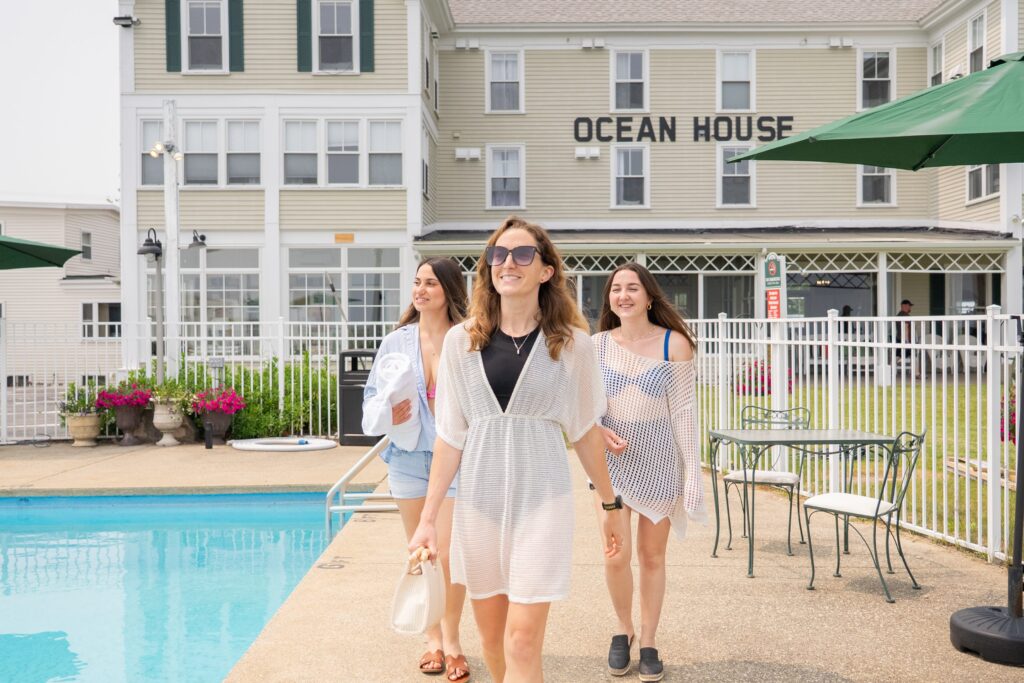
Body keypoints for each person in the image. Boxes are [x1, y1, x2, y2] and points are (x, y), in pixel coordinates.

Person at [409, 216, 627, 682]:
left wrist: (609, 503)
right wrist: (428, 520)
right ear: (489, 268)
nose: (509, 262)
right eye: (499, 254)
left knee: (522, 640)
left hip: (543, 502)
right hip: (479, 506)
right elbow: (449, 436)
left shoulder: (573, 347)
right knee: (492, 642)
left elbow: (586, 430)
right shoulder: (459, 342)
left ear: (546, 270)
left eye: (523, 253)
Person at [591, 263, 705, 681]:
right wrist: (599, 431)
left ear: (649, 297)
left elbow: (684, 415)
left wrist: (693, 473)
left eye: (632, 288)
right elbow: (583, 408)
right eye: (616, 289)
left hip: (660, 463)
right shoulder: (597, 345)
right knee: (616, 554)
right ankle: (623, 630)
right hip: (611, 466)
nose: (623, 295)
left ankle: (651, 641)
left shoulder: (674, 345)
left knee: (652, 557)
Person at [362, 257, 471, 682]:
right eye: (417, 283)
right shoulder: (395, 342)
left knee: (448, 554)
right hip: (406, 457)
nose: (420, 290)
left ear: (448, 289)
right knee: (420, 552)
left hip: (455, 458)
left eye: (430, 283)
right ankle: (433, 642)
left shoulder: (467, 338)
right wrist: (390, 409)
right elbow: (371, 399)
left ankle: (455, 640)